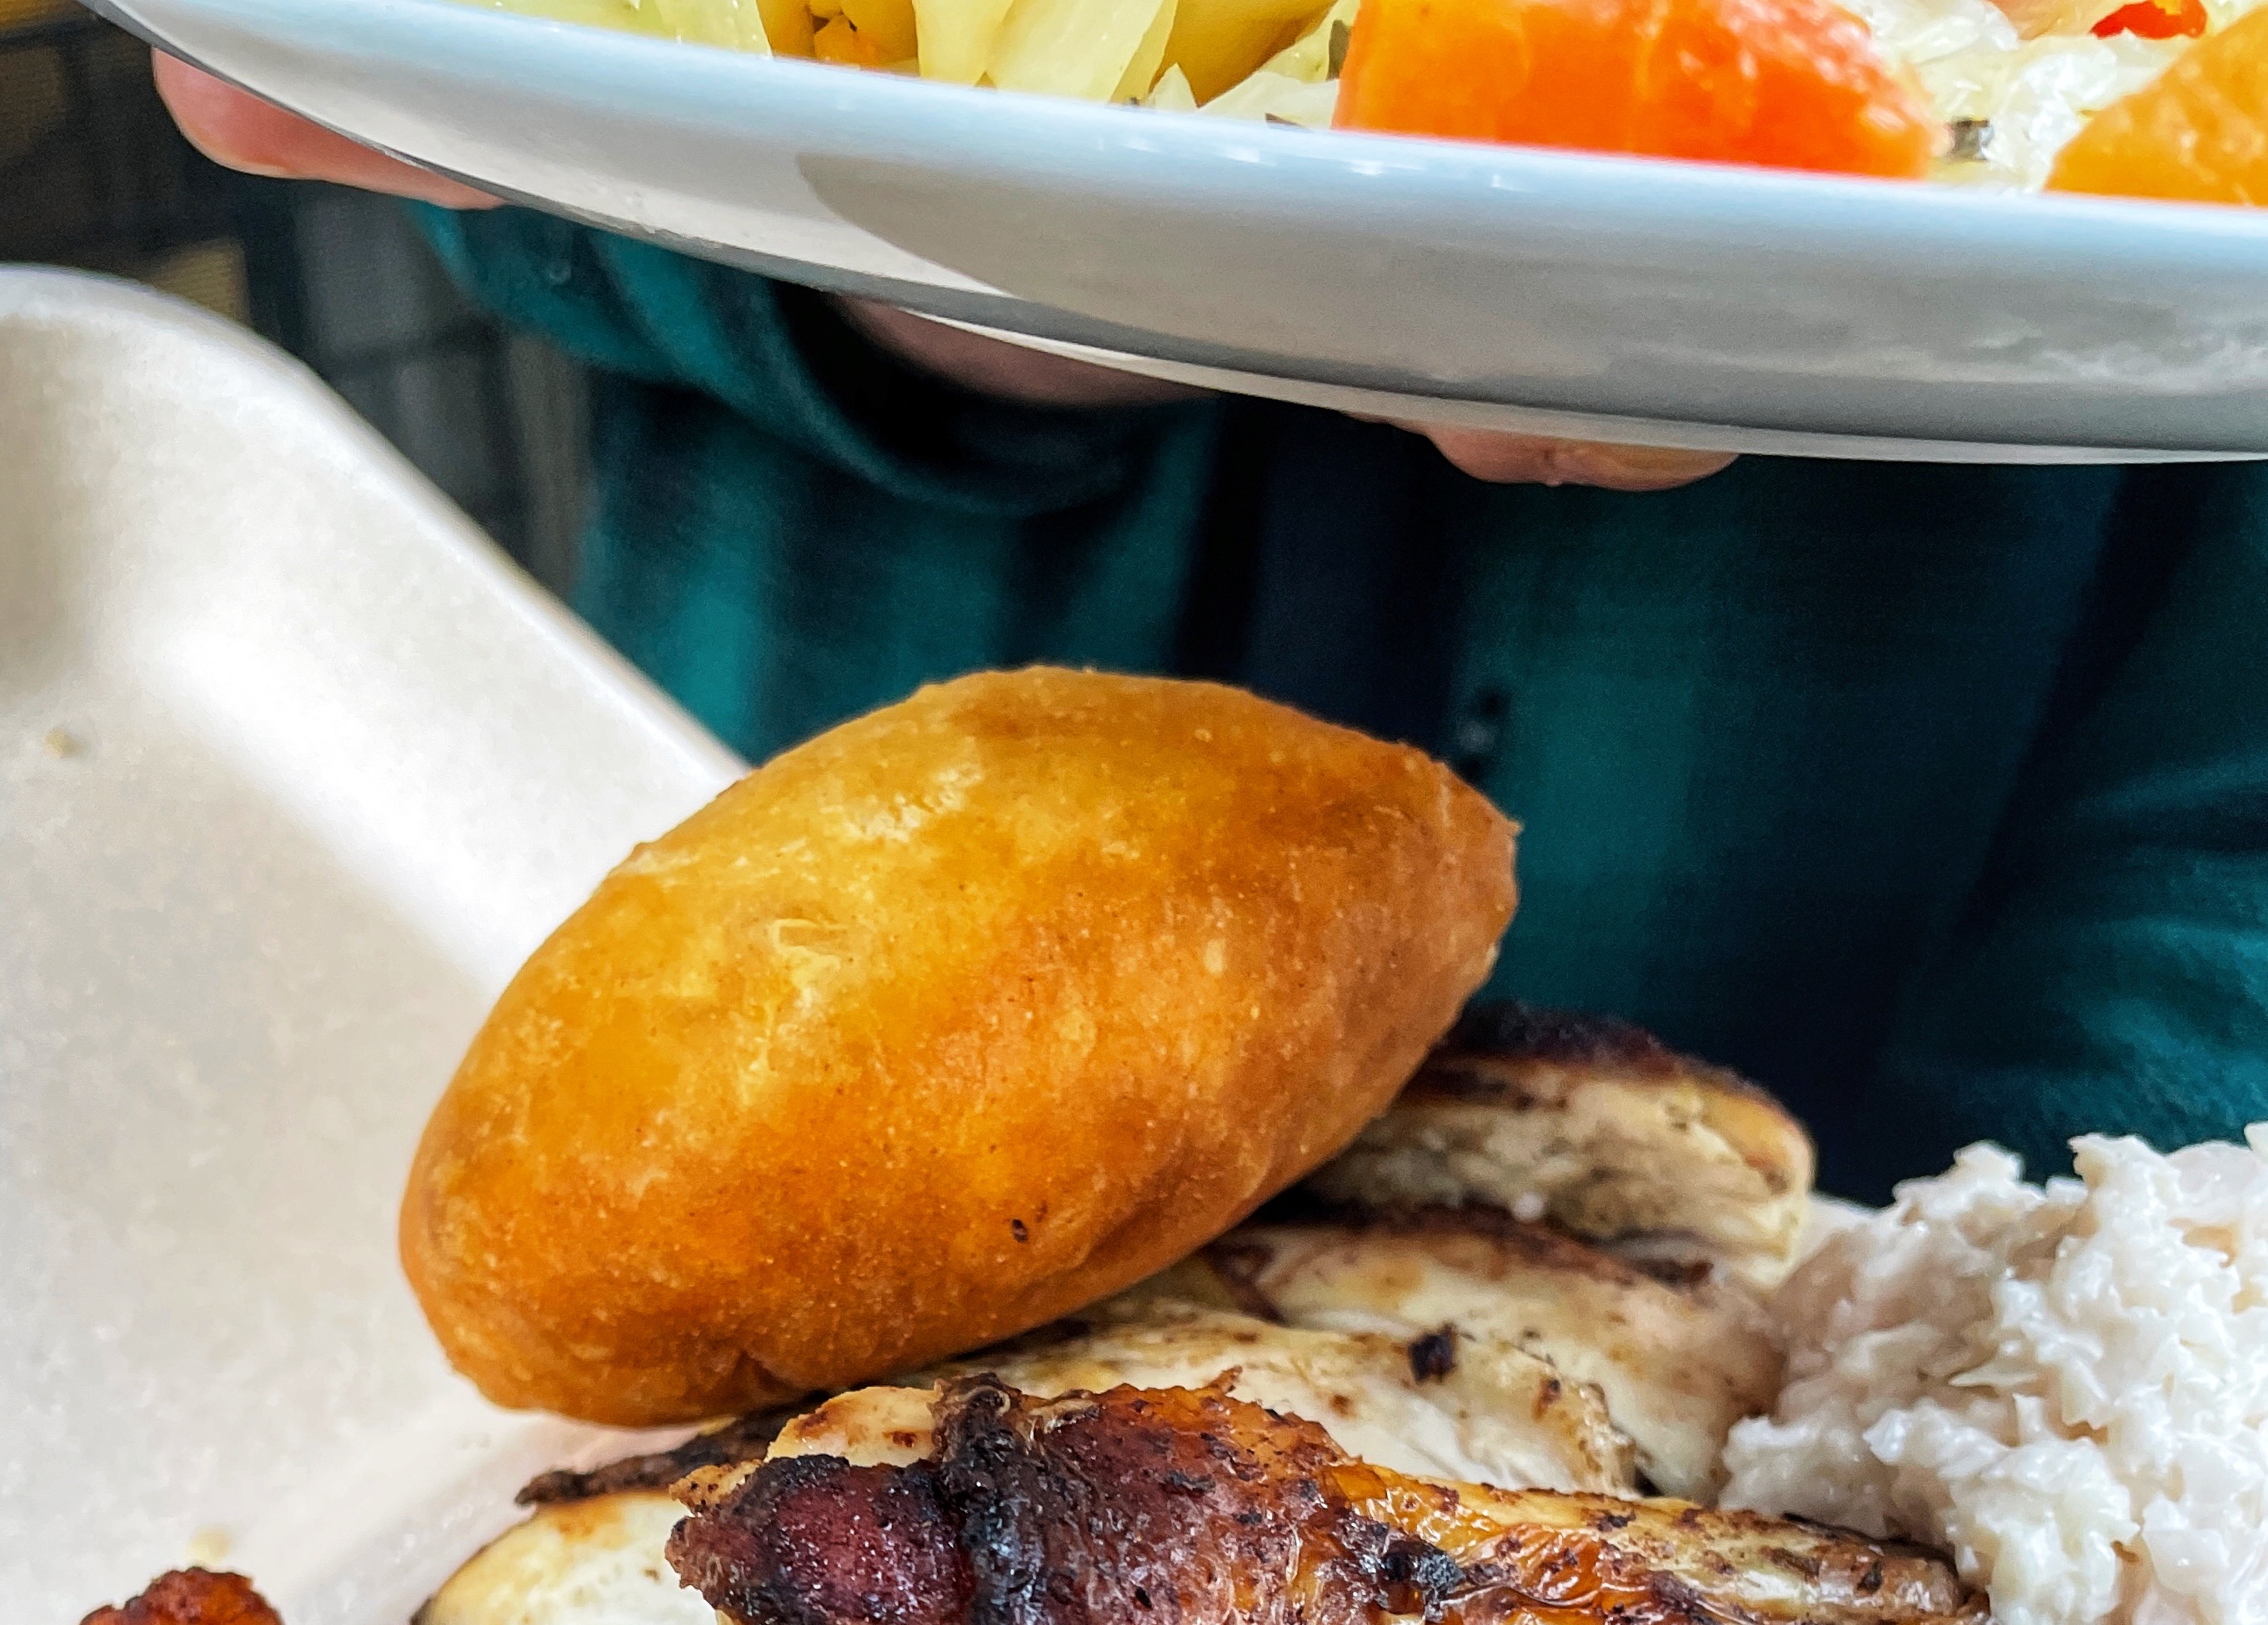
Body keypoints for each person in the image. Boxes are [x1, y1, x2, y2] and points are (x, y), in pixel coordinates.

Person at [163, 58, 2268, 1201]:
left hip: (1955, 906)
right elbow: (479, 134)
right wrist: (940, 269)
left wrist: (2060, 1340)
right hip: (793, 878)